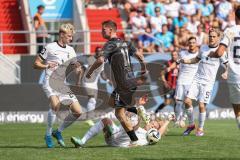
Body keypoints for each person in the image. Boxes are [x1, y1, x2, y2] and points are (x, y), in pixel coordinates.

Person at [86, 20, 148, 146]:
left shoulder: (110, 44)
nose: (101, 31)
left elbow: (100, 59)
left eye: (103, 29)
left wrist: (90, 71)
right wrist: (143, 68)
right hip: (130, 80)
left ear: (111, 30)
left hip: (123, 83)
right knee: (111, 103)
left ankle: (134, 140)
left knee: (119, 114)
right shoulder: (126, 43)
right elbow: (140, 56)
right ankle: (134, 110)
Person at [33, 23, 82, 148]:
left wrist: (78, 72)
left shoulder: (71, 50)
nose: (70, 39)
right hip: (49, 82)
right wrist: (46, 65)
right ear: (61, 34)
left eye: (71, 37)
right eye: (69, 36)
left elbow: (76, 67)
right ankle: (48, 135)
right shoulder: (49, 47)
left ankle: (58, 132)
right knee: (56, 106)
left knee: (78, 112)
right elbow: (36, 64)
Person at [70, 96, 175, 148]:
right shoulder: (142, 126)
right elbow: (126, 115)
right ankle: (82, 141)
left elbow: (159, 133)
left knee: (134, 123)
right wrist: (138, 105)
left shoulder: (148, 137)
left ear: (154, 131)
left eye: (153, 126)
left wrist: (168, 120)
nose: (151, 124)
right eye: (152, 123)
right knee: (106, 120)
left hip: (122, 143)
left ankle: (110, 131)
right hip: (115, 136)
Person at [180, 28, 228, 136]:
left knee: (202, 105)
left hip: (208, 83)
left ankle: (200, 129)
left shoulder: (221, 52)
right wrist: (186, 61)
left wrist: (226, 72)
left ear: (218, 38)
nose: (211, 38)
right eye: (210, 36)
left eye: (213, 36)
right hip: (197, 79)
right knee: (187, 101)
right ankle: (191, 125)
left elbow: (227, 65)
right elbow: (196, 59)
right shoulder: (203, 48)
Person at [208, 6, 240, 130]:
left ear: (235, 16)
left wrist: (213, 53)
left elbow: (220, 52)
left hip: (235, 77)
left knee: (238, 111)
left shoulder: (230, 31)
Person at [174, 36, 199, 125]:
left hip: (192, 81)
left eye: (193, 42)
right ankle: (177, 120)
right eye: (190, 42)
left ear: (196, 44)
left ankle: (185, 120)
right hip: (181, 80)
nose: (192, 44)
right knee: (178, 101)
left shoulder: (199, 55)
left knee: (187, 102)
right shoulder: (182, 53)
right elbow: (176, 63)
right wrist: (172, 68)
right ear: (188, 44)